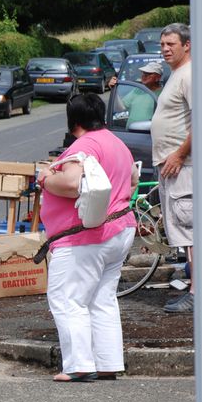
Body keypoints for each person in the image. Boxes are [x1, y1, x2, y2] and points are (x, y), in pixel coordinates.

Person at [39, 93, 138, 382]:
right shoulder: (117, 143)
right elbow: (132, 179)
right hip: (120, 230)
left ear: (74, 121)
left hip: (85, 237)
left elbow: (71, 183)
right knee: (102, 298)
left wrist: (45, 177)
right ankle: (108, 363)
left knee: (68, 299)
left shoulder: (83, 146)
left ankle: (79, 364)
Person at [151, 23, 194, 313]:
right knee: (185, 233)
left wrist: (178, 155)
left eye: (171, 44)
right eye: (163, 44)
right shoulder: (176, 75)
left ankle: (197, 293)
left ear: (187, 45)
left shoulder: (190, 75)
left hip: (186, 168)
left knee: (193, 232)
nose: (165, 49)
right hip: (174, 168)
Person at [121, 61, 164, 129]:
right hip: (129, 134)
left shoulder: (164, 93)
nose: (144, 76)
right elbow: (121, 107)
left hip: (148, 135)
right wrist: (113, 87)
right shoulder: (138, 90)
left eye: (148, 74)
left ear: (158, 77)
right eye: (143, 73)